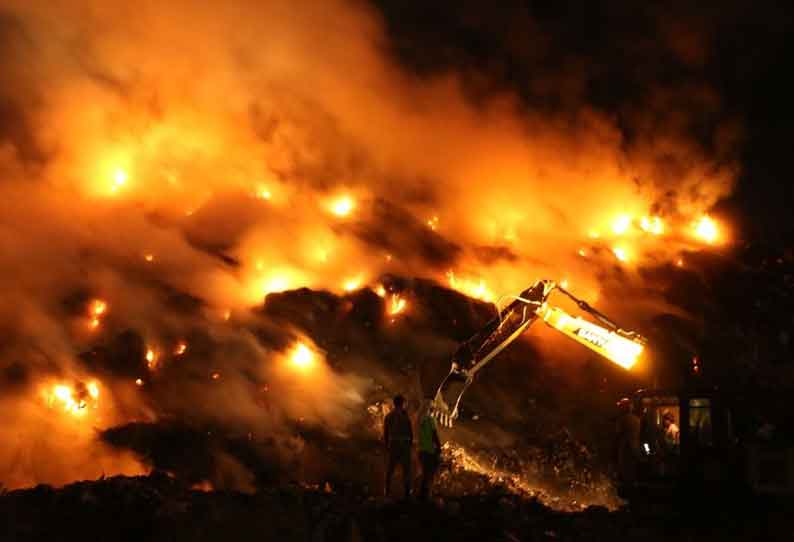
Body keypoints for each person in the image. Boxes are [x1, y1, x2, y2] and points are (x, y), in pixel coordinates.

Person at [383, 394, 413, 498]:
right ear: (402, 403)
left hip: (393, 444)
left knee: (390, 469)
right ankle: (407, 493)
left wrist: (387, 445)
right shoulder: (405, 416)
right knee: (406, 470)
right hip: (404, 445)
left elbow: (386, 432)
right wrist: (410, 444)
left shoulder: (388, 416)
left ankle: (387, 491)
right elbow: (410, 432)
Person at [418, 402, 442, 500]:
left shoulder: (422, 420)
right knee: (430, 473)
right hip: (430, 451)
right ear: (434, 412)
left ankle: (423, 494)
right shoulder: (431, 420)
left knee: (425, 473)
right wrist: (439, 446)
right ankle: (428, 494)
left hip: (422, 450)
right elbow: (434, 434)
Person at [615, 398, 641, 487]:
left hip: (625, 450)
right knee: (633, 473)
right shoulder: (637, 419)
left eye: (621, 406)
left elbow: (617, 436)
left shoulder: (622, 420)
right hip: (636, 450)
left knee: (626, 476)